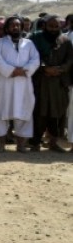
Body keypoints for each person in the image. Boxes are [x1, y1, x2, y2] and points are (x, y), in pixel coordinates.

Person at [0, 16, 40, 152]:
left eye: (18, 25)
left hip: (24, 83)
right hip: (4, 83)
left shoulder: (29, 44)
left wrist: (24, 70)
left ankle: (21, 145)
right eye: (12, 25)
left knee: (24, 111)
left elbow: (35, 60)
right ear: (7, 28)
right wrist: (12, 71)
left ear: (22, 27)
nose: (16, 27)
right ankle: (1, 144)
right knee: (0, 111)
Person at [30, 15, 73, 152]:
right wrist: (44, 68)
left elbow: (70, 59)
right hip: (40, 82)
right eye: (51, 26)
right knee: (39, 113)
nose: (54, 29)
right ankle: (35, 142)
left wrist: (59, 70)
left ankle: (53, 142)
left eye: (56, 26)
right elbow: (32, 56)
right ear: (44, 26)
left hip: (58, 83)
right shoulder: (35, 39)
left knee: (57, 113)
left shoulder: (65, 41)